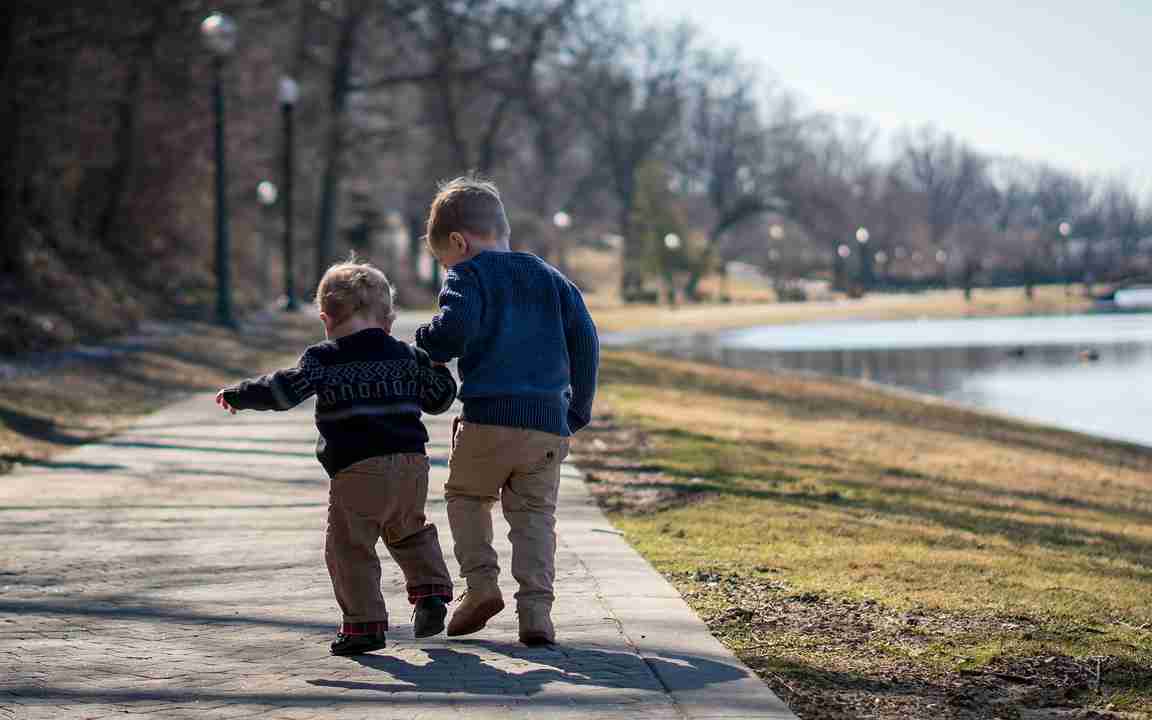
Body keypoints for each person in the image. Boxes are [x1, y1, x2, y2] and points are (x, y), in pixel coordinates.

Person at [216, 258, 457, 656]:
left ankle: (364, 625)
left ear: (326, 319)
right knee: (409, 530)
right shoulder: (406, 355)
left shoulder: (323, 359)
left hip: (358, 469)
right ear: (389, 319)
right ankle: (431, 594)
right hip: (412, 466)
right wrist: (438, 366)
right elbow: (439, 399)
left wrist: (241, 394)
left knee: (349, 547)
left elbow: (283, 391)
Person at [415, 176, 599, 646]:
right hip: (546, 426)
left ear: (459, 242)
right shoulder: (552, 278)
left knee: (466, 497)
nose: (446, 268)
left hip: (488, 419)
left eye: (444, 260)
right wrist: (577, 409)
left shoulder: (468, 275)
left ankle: (480, 586)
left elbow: (453, 332)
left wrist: (425, 340)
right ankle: (536, 613)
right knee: (535, 516)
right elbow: (586, 341)